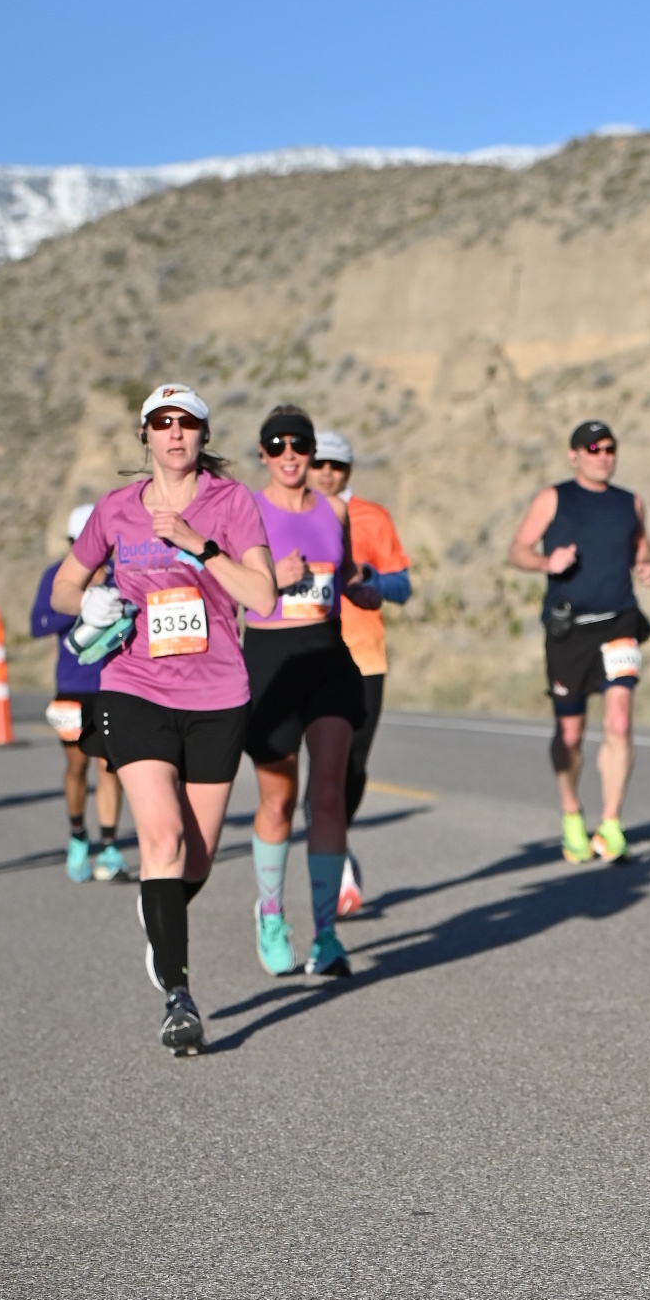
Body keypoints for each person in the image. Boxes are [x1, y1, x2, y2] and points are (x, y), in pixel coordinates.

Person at [52, 383, 278, 1054]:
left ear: (204, 435)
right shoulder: (115, 509)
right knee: (162, 837)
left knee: (194, 860)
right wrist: (87, 602)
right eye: (162, 422)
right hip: (135, 687)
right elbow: (64, 585)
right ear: (145, 435)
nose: (174, 433)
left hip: (217, 696)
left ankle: (160, 910)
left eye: (186, 423)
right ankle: (179, 997)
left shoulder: (231, 503)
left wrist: (199, 546)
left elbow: (264, 596)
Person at [243, 404, 378, 980]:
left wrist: (362, 589)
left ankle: (326, 935)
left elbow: (343, 575)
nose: (290, 455)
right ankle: (271, 915)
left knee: (327, 797)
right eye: (277, 445)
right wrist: (272, 579)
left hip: (327, 656)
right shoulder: (246, 510)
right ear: (263, 454)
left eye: (299, 444)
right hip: (271, 660)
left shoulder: (335, 509)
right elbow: (225, 587)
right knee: (277, 801)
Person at [507, 418, 650, 863]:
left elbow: (641, 547)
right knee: (570, 734)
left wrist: (645, 565)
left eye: (609, 448)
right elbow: (517, 551)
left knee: (619, 722)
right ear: (573, 455)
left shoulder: (630, 502)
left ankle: (610, 824)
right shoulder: (553, 498)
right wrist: (546, 562)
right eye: (593, 449)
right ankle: (571, 813)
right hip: (569, 630)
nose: (603, 456)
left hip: (619, 624)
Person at [309, 429, 411, 916]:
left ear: (349, 470)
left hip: (365, 655)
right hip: (307, 654)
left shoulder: (372, 516)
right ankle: (336, 867)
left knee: (353, 766)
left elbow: (402, 585)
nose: (327, 473)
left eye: (337, 465)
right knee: (320, 767)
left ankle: (336, 841)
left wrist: (370, 580)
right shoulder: (289, 514)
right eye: (320, 464)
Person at [31, 503, 126, 881]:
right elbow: (38, 623)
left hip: (112, 684)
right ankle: (77, 836)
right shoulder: (58, 576)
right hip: (71, 686)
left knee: (109, 765)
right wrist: (84, 604)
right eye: (79, 542)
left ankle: (110, 847)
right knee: (76, 765)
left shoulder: (120, 573)